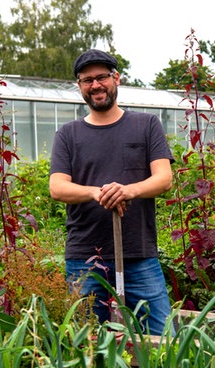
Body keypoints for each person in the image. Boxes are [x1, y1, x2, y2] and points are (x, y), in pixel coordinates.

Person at [49, 49, 174, 335]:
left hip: (139, 254)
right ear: (79, 86)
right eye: (87, 80)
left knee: (162, 342)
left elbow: (164, 179)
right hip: (85, 258)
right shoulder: (68, 135)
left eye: (102, 77)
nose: (95, 85)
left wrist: (128, 190)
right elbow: (57, 187)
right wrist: (97, 193)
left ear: (116, 78)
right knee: (87, 344)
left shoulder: (146, 126)